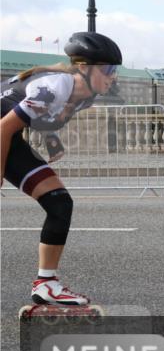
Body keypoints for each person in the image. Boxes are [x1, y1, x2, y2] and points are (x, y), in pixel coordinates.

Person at [1, 32, 122, 311]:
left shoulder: (84, 97)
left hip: (9, 135)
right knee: (58, 203)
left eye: (115, 70)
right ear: (84, 68)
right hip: (3, 133)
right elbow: (5, 127)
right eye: (107, 69)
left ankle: (46, 284)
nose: (112, 76)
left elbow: (41, 118)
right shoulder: (55, 87)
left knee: (59, 203)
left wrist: (52, 140)